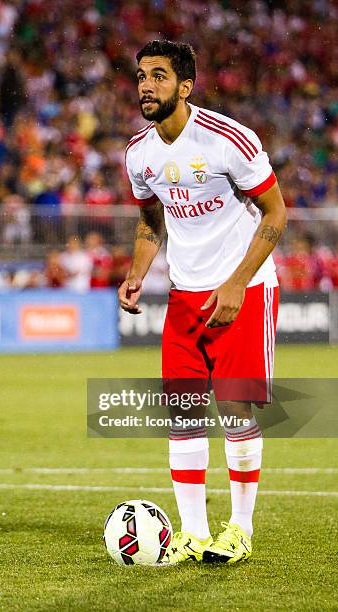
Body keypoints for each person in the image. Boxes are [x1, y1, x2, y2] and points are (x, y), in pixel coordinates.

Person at [119, 40, 287, 565]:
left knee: (235, 410)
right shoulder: (138, 152)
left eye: (160, 76)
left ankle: (239, 528)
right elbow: (151, 219)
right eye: (142, 75)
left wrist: (238, 281)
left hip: (246, 289)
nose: (147, 85)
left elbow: (276, 214)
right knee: (184, 413)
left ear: (185, 86)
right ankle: (192, 533)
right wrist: (136, 272)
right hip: (184, 296)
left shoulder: (227, 140)